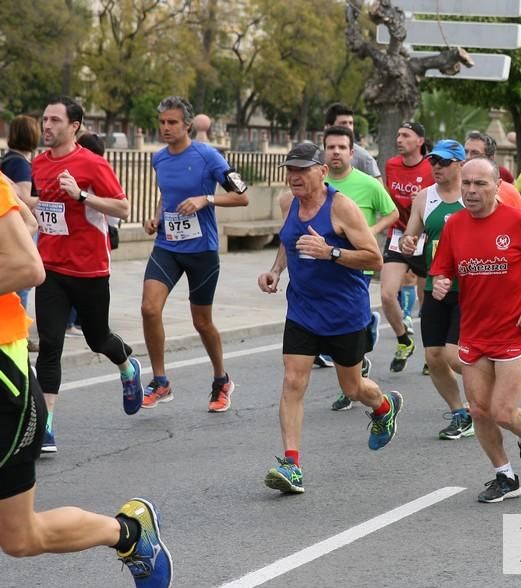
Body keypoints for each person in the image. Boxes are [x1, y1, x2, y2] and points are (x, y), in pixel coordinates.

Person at [0, 176, 172, 588]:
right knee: (18, 538)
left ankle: (128, 534)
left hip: (5, 385)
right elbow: (27, 215)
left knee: (21, 538)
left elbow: (28, 265)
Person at [258, 142, 403, 494]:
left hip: (344, 312)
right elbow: (288, 240)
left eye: (302, 170)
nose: (294, 177)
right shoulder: (288, 202)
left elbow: (374, 258)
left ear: (321, 172)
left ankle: (384, 406)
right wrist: (276, 270)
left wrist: (331, 251)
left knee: (352, 389)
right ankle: (291, 464)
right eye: (290, 170)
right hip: (303, 309)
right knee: (293, 382)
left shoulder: (342, 207)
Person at [429, 158, 521, 502]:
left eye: (480, 184)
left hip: (514, 329)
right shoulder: (455, 225)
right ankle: (504, 476)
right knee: (478, 409)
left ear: (497, 187)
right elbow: (442, 270)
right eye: (467, 184)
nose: (471, 191)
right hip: (474, 331)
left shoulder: (518, 222)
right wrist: (441, 284)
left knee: (502, 411)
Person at [30, 96, 144, 454]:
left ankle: (127, 365)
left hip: (90, 269)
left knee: (97, 338)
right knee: (50, 345)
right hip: (50, 268)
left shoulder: (92, 164)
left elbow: (123, 207)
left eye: (54, 121)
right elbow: (39, 207)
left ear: (74, 126)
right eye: (44, 120)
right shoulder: (38, 164)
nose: (46, 126)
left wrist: (81, 195)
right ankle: (46, 425)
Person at [141, 97, 248, 412]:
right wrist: (157, 216)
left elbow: (241, 197)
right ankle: (160, 381)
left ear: (187, 125)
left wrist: (206, 199)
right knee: (149, 308)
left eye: (172, 122)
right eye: (162, 122)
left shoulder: (208, 156)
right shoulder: (158, 159)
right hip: (167, 246)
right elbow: (166, 196)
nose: (165, 128)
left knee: (202, 322)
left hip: (202, 251)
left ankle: (221, 380)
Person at [399, 140, 472, 439]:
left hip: (470, 288)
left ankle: (491, 392)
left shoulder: (473, 196)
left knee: (456, 356)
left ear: (459, 164)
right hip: (435, 287)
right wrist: (407, 243)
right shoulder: (424, 198)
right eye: (433, 162)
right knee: (434, 356)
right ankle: (461, 412)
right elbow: (410, 236)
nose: (437, 167)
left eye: (443, 162)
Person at [322, 125, 398, 411]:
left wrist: (372, 230)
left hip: (358, 265)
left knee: (344, 324)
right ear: (324, 151)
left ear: (352, 153)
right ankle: (359, 351)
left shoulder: (367, 183)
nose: (336, 152)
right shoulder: (318, 183)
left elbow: (392, 212)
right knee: (330, 328)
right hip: (325, 265)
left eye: (342, 147)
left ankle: (352, 379)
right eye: (331, 147)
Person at [381, 122, 434, 372]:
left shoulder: (430, 168)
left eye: (406, 135)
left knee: (427, 302)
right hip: (399, 235)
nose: (399, 139)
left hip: (424, 237)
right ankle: (404, 340)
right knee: (387, 294)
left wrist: (422, 203)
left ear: (420, 141)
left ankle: (431, 355)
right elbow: (389, 198)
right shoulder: (391, 165)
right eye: (398, 134)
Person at [1, 114, 41, 352]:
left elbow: (28, 268)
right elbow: (28, 216)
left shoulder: (8, 167)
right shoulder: (18, 165)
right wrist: (44, 197)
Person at [323, 103, 381, 179]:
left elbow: (378, 186)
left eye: (350, 123)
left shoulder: (364, 158)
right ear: (328, 127)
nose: (349, 127)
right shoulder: (315, 156)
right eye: (343, 123)